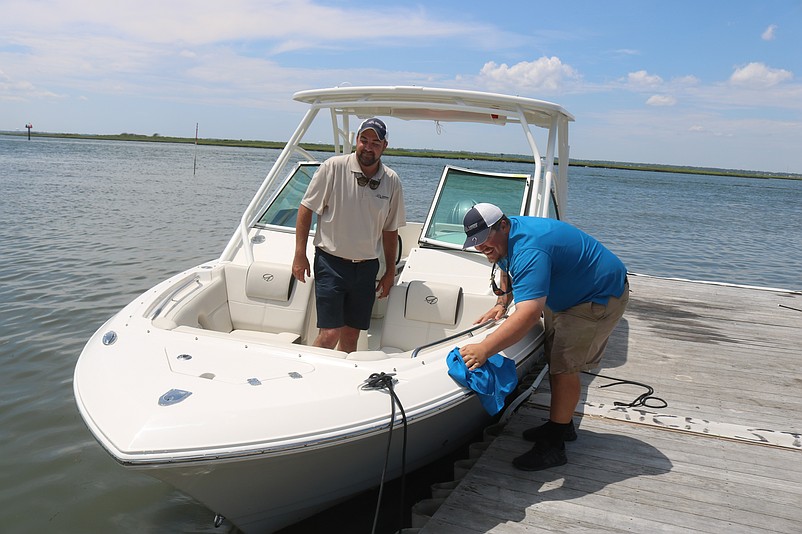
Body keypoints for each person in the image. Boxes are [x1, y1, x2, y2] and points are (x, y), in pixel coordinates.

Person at [459, 203, 629, 471]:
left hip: (596, 297)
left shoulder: (529, 248)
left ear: (503, 225)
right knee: (555, 357)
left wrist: (484, 349)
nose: (481, 248)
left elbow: (528, 315)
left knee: (564, 367)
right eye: (475, 243)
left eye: (485, 240)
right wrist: (503, 302)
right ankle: (562, 425)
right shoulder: (507, 236)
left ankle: (555, 447)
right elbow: (505, 263)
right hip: (568, 295)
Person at [293, 118, 405, 353]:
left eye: (375, 142)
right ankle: (310, 379)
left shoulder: (392, 181)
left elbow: (390, 230)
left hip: (366, 269)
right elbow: (306, 209)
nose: (368, 146)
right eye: (364, 140)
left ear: (385, 146)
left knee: (352, 336)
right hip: (330, 263)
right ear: (357, 141)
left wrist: (389, 272)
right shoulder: (333, 167)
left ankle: (337, 383)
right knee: (329, 334)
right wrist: (299, 255)